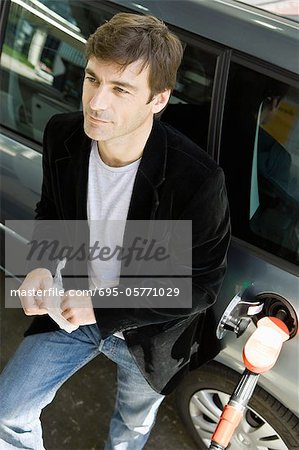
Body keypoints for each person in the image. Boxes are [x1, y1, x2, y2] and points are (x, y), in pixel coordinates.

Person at [0, 13, 230, 450]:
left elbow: (200, 287)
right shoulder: (63, 134)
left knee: (130, 430)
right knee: (6, 410)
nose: (96, 102)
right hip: (70, 309)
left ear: (158, 100)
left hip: (150, 337)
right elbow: (53, 210)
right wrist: (42, 267)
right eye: (92, 79)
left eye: (120, 89)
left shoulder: (198, 179)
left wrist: (101, 307)